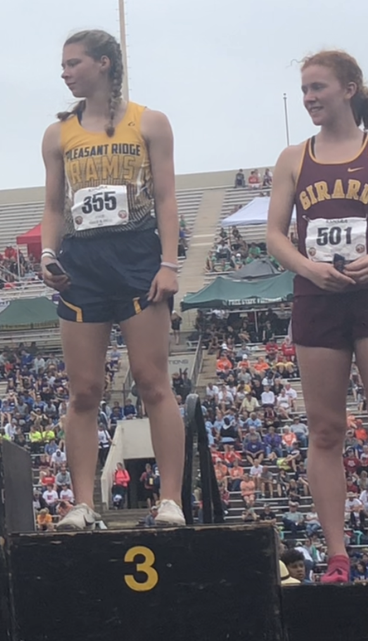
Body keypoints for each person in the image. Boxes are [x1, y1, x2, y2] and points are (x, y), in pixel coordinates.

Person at [38, 30, 185, 529]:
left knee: (152, 381)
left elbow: (166, 197)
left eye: (73, 63)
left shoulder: (150, 123)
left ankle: (170, 499)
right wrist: (48, 254)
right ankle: (82, 504)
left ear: (103, 64)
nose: (64, 72)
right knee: (83, 390)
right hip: (82, 263)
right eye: (62, 64)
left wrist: (169, 263)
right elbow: (53, 204)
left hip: (137, 254)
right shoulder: (58, 134)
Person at [265, 49, 368, 584]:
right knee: (326, 430)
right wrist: (309, 267)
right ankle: (338, 558)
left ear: (350, 88)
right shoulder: (293, 158)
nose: (309, 97)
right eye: (305, 89)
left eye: (318, 87)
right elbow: (276, 234)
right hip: (316, 296)